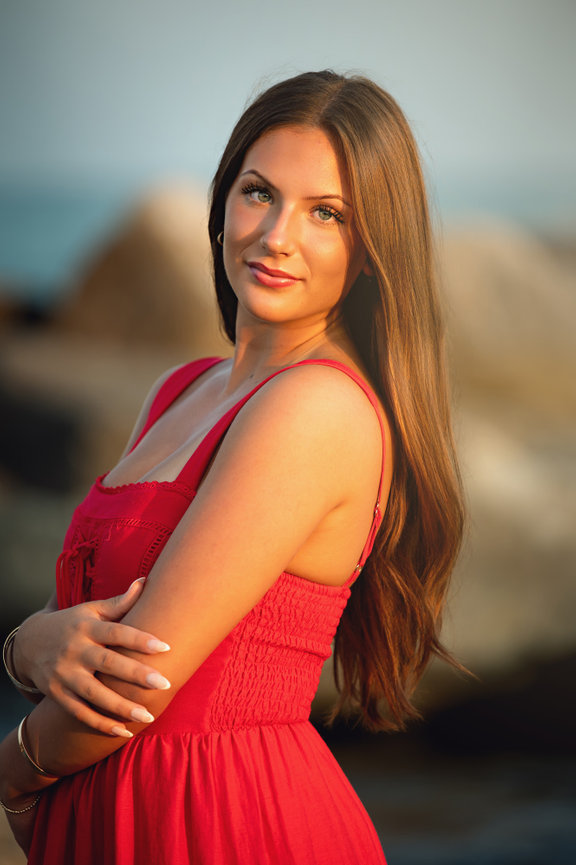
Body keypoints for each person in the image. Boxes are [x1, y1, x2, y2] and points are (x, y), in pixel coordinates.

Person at [0, 70, 464, 863]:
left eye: (327, 213)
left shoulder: (315, 409)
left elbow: (134, 684)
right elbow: (71, 619)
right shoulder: (179, 389)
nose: (277, 235)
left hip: (220, 818)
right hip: (111, 812)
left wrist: (10, 772)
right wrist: (25, 646)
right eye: (259, 193)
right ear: (222, 204)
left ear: (368, 252)